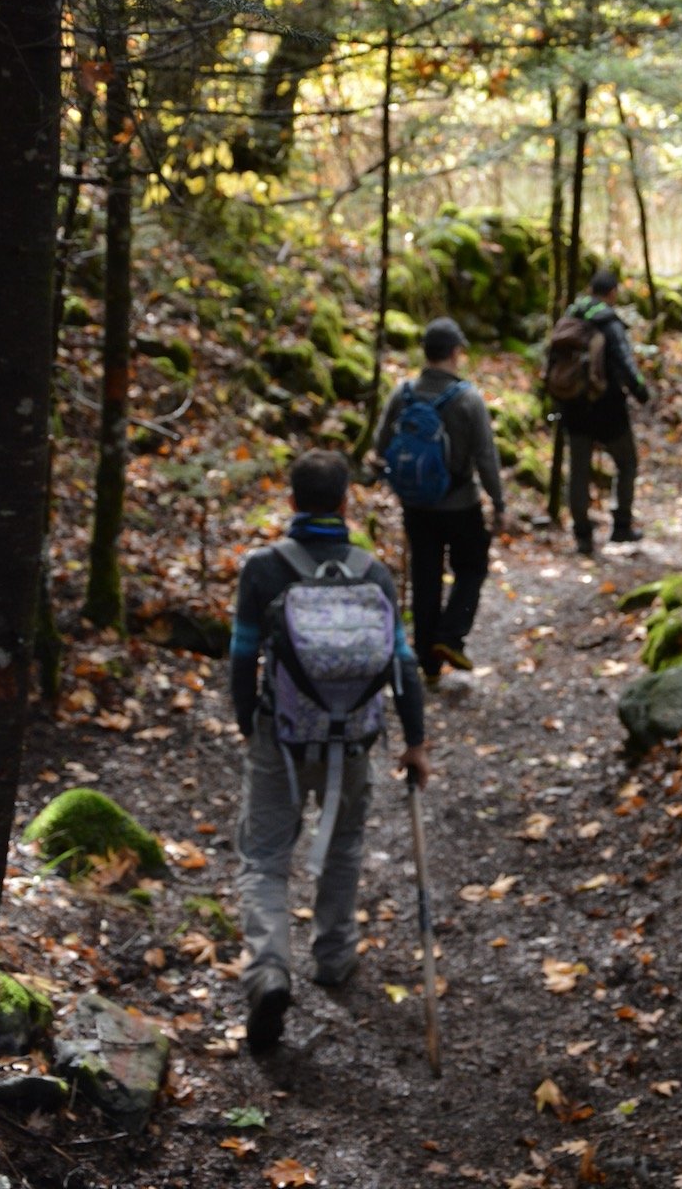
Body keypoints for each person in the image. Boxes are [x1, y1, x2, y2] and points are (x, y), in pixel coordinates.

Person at [229, 449, 429, 1052]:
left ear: (292, 502)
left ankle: (268, 969)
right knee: (342, 846)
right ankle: (335, 957)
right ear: (346, 503)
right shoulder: (374, 573)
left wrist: (249, 722)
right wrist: (415, 742)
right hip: (354, 743)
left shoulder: (263, 568)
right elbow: (404, 665)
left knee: (263, 858)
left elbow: (242, 656)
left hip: (281, 736)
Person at [375, 316, 504, 686]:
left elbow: (381, 446)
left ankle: (426, 662)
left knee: (425, 574)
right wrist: (499, 503)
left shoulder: (402, 394)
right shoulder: (467, 398)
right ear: (453, 352)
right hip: (461, 503)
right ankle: (450, 637)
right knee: (471, 568)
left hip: (417, 506)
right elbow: (485, 456)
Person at [555, 269, 649, 555]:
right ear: (612, 293)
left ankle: (582, 534)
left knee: (579, 470)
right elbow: (623, 362)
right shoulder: (608, 322)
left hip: (572, 405)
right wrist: (642, 392)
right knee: (627, 462)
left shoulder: (570, 317)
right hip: (607, 408)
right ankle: (621, 525)